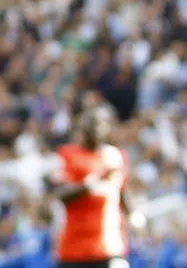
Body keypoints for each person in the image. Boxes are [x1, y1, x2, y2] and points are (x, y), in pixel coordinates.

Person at [48, 105, 145, 268]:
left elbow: (121, 191)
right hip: (74, 248)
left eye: (99, 123)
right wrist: (91, 182)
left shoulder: (115, 156)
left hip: (109, 245)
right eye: (90, 124)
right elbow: (61, 194)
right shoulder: (68, 155)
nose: (94, 129)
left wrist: (134, 214)